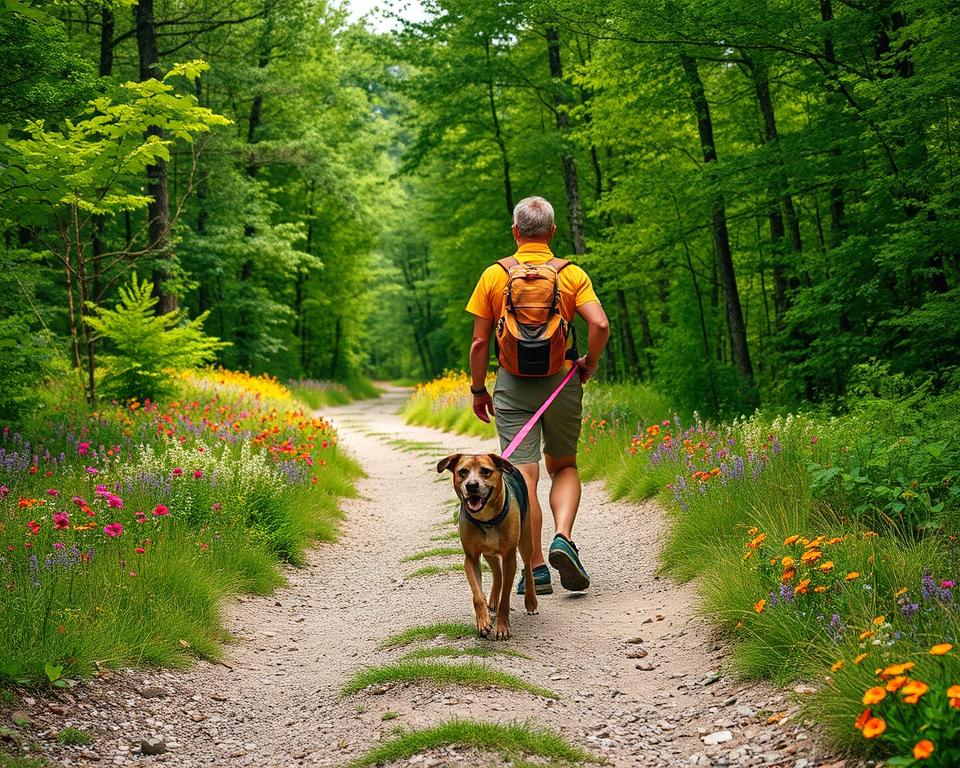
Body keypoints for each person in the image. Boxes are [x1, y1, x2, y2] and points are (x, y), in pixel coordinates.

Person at [465, 196, 609, 594]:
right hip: (562, 380)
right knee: (563, 466)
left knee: (522, 474)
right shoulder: (570, 274)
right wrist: (588, 363)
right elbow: (599, 323)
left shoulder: (495, 275)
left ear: (515, 232)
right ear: (552, 232)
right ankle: (562, 536)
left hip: (512, 383)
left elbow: (479, 343)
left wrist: (479, 390)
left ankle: (536, 567)